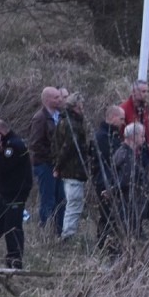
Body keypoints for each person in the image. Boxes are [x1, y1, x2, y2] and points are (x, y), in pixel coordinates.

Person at [0, 120, 33, 269]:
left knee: (12, 227)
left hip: (15, 193)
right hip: (7, 193)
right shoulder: (13, 142)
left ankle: (15, 260)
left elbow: (4, 168)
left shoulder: (12, 146)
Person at [52, 92, 91, 240]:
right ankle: (67, 235)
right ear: (76, 106)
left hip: (69, 169)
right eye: (81, 105)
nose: (83, 108)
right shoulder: (72, 124)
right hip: (72, 169)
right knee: (74, 202)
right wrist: (57, 166)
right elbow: (68, 147)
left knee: (72, 202)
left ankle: (66, 233)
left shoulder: (63, 121)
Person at [28, 86, 65, 233]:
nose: (60, 99)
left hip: (57, 165)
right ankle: (45, 231)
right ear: (47, 99)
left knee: (61, 199)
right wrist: (53, 158)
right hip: (45, 165)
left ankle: (59, 231)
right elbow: (35, 144)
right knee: (48, 199)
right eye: (56, 97)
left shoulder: (59, 115)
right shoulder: (40, 118)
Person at [92, 105, 125, 253]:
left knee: (110, 215)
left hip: (109, 179)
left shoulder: (113, 134)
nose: (123, 122)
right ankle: (104, 244)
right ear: (112, 117)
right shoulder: (102, 137)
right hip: (103, 180)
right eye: (121, 119)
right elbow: (110, 158)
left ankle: (106, 243)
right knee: (107, 214)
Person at [111, 122, 149, 237]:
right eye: (142, 136)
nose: (144, 139)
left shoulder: (129, 153)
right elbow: (125, 180)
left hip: (130, 203)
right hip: (127, 204)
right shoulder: (126, 155)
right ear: (133, 136)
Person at [119, 80, 149, 166]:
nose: (146, 94)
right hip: (130, 156)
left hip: (143, 154)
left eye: (147, 91)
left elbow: (147, 133)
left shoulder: (144, 109)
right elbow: (120, 135)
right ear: (134, 92)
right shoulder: (123, 109)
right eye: (143, 91)